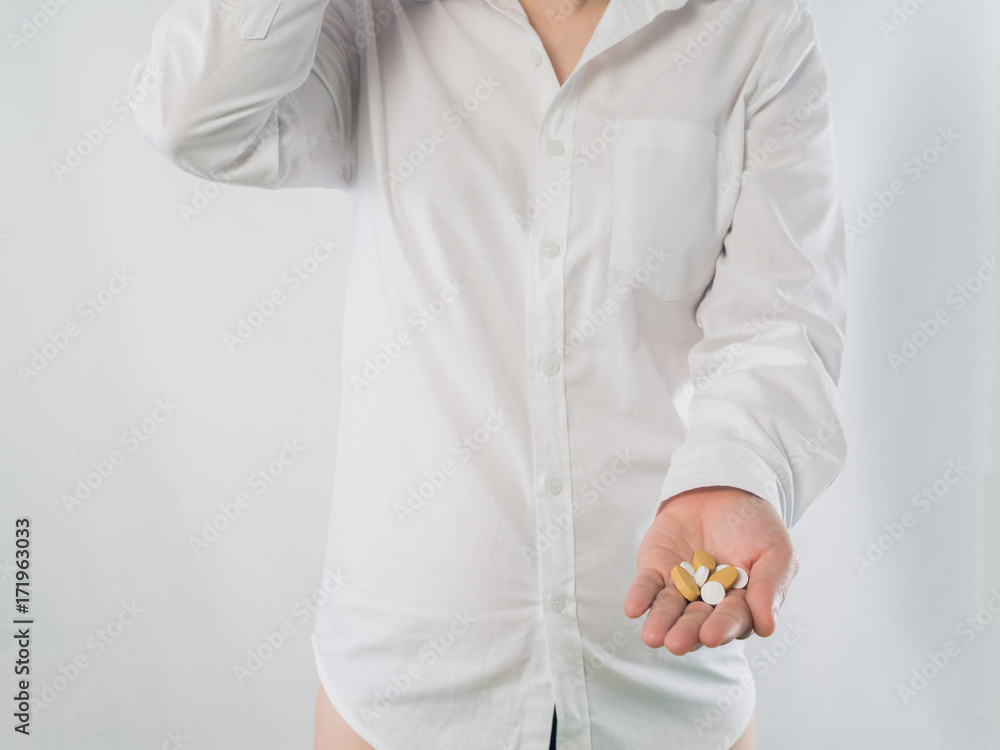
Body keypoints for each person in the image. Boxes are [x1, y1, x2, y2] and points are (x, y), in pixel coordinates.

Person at [129, 0, 847, 747]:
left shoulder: (756, 25)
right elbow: (191, 118)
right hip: (400, 695)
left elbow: (779, 320)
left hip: (665, 680)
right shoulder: (371, 18)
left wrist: (734, 475)